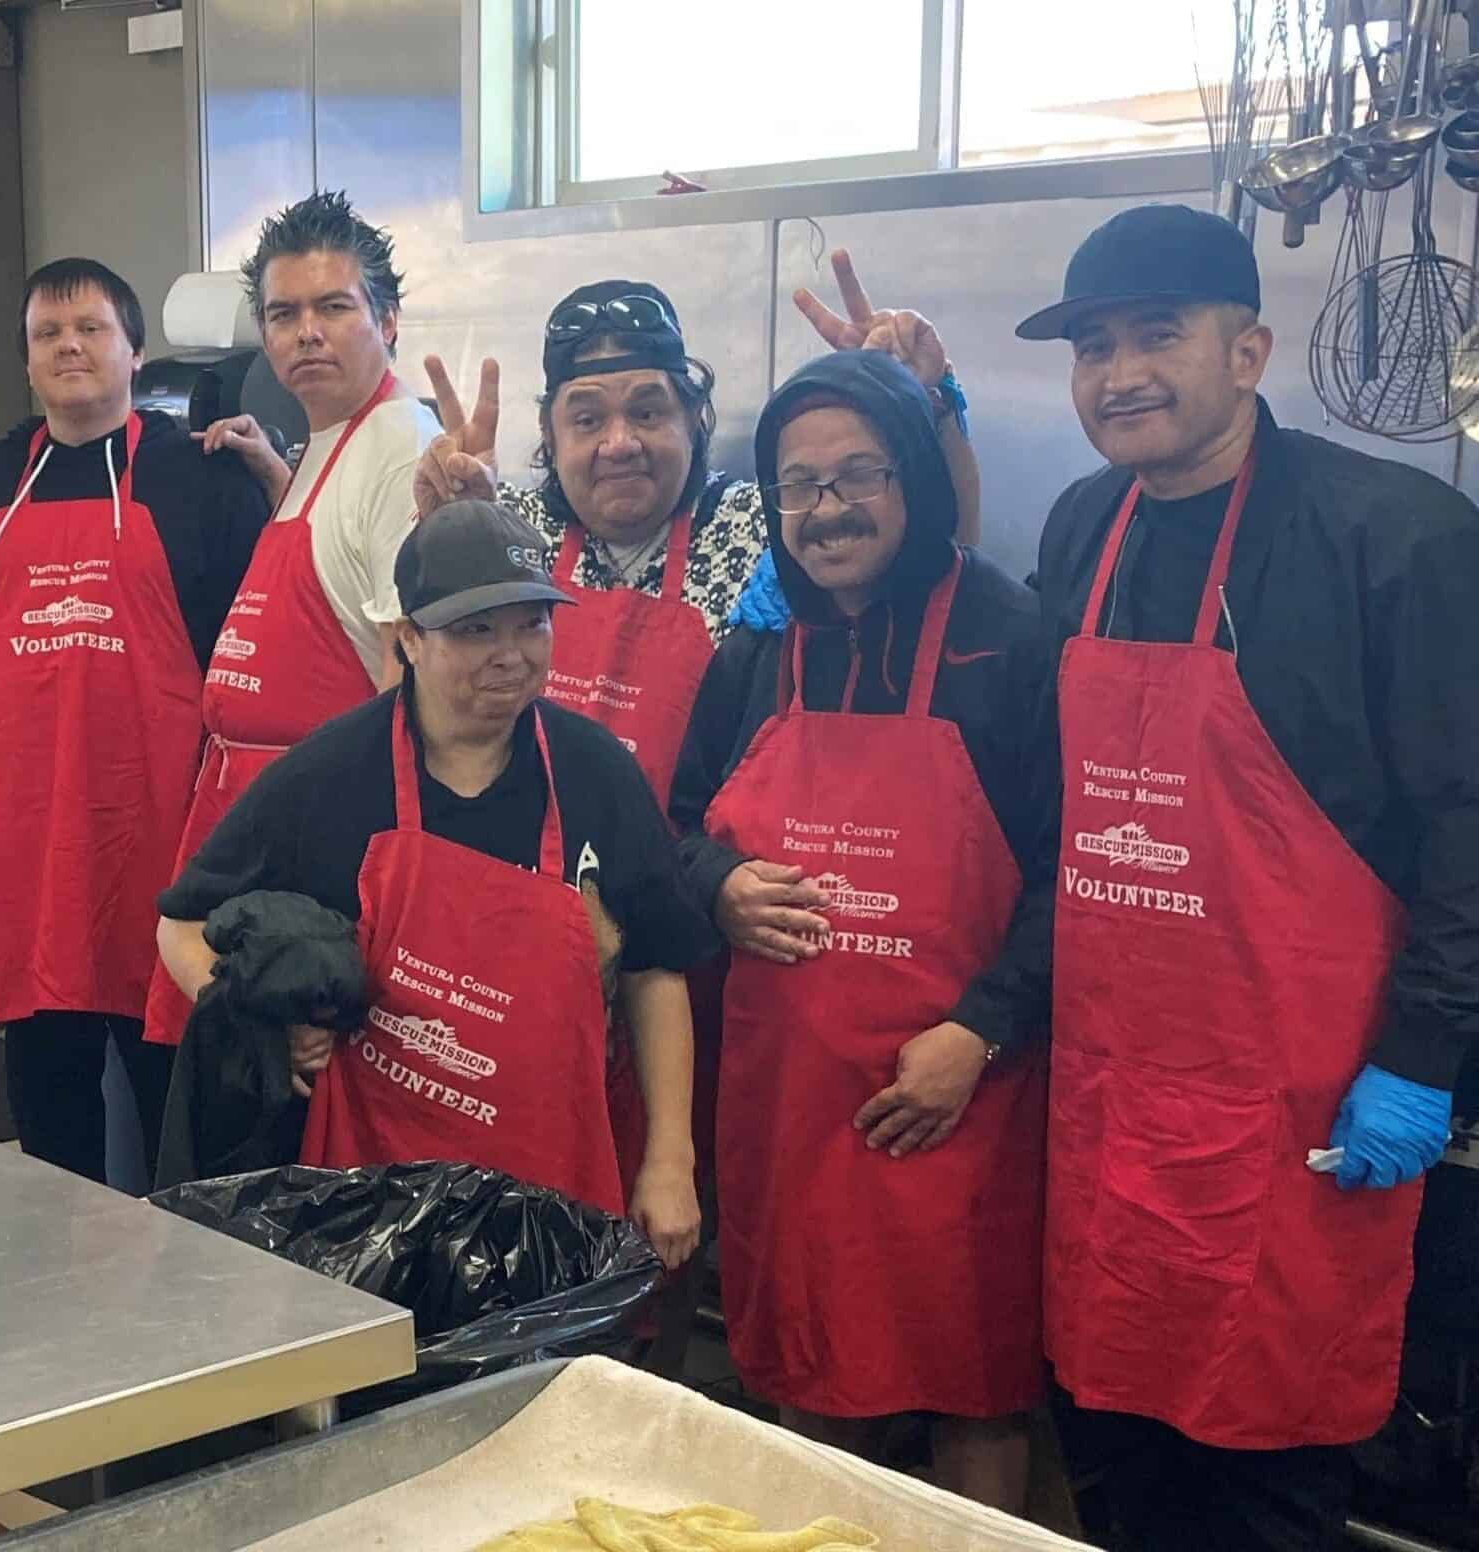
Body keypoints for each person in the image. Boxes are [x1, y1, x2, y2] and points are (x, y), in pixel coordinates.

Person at [1021, 203, 1479, 1550]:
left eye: (1156, 334)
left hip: (1307, 1107)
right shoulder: (1083, 527)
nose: (1120, 374)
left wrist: (1424, 1053)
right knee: (1117, 1448)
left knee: (1271, 1474)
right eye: (1093, 346)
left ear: (1251, 347)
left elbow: (1470, 823)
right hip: (1113, 1092)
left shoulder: (1395, 537)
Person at [666, 350, 1056, 1513]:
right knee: (802, 1360)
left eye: (857, 475)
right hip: (788, 1103)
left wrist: (978, 1033)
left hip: (960, 1095)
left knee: (971, 1380)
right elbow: (674, 829)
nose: (826, 511)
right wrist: (721, 885)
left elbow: (1076, 870)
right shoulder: (758, 646)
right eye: (798, 485)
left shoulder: (1008, 638)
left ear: (914, 484)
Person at [156, 499, 713, 1265]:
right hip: (364, 1195)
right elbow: (180, 922)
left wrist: (669, 1161)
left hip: (545, 1178)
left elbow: (656, 969)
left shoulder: (596, 772)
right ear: (408, 639)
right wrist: (260, 1027)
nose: (511, 655)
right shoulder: (328, 773)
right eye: (475, 630)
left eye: (531, 624)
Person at [0, 258, 272, 1183]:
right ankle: (57, 1259)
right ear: (24, 361)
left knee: (165, 1067)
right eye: (47, 333)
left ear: (134, 351)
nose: (70, 347)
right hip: (22, 836)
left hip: (162, 833)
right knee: (45, 1068)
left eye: (91, 329)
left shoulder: (200, 480)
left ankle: (180, 1271)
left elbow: (250, 662)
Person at [412, 255, 981, 796]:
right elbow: (423, 709)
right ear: (549, 433)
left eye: (647, 412)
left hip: (705, 875)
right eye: (587, 419)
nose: (620, 443)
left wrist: (915, 406)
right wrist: (456, 545)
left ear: (693, 416)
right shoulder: (512, 531)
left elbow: (938, 560)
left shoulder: (766, 524)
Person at [142, 190, 444, 1048]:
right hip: (256, 831)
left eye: (333, 307)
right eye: (283, 314)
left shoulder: (396, 446)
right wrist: (278, 479)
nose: (306, 332)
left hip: (321, 861)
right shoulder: (324, 444)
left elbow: (408, 688)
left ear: (387, 317)